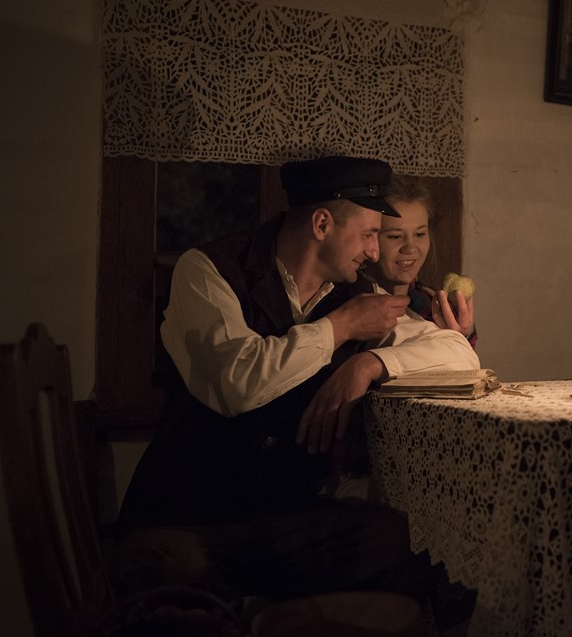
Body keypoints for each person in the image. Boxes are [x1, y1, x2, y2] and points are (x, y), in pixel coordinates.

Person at [114, 155, 480, 614]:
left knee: (417, 543)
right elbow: (237, 383)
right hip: (191, 516)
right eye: (369, 234)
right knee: (166, 566)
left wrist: (369, 362)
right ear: (322, 224)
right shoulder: (208, 271)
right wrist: (339, 328)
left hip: (287, 521)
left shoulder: (356, 294)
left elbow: (458, 354)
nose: (374, 252)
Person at [362, 176, 477, 349]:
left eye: (420, 234)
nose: (410, 248)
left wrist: (461, 336)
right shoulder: (352, 303)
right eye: (395, 236)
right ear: (369, 238)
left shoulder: (433, 305)